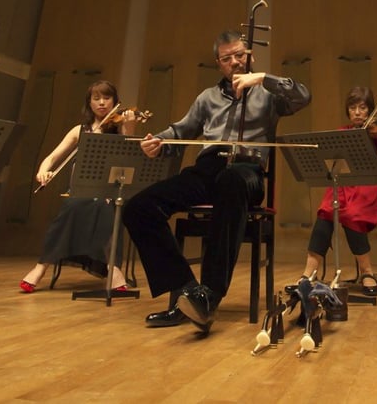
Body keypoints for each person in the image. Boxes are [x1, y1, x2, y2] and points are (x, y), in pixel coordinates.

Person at [124, 30, 311, 332]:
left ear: (250, 56)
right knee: (138, 207)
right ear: (219, 63)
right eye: (227, 58)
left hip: (246, 173)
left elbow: (303, 96)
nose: (235, 62)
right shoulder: (207, 98)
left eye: (240, 55)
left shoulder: (268, 94)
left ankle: (209, 296)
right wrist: (158, 141)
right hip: (208, 169)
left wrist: (262, 78)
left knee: (231, 180)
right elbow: (181, 131)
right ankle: (188, 292)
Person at [19, 80, 137, 293]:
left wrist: (129, 125)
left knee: (107, 208)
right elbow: (52, 157)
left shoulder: (119, 127)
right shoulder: (79, 130)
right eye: (96, 98)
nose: (102, 103)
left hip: (111, 191)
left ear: (115, 101)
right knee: (71, 207)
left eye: (107, 98)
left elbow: (129, 155)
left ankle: (113, 268)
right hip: (82, 190)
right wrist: (43, 171)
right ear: (89, 103)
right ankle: (41, 266)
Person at [301, 87, 377, 296]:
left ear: (370, 110)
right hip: (345, 186)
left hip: (371, 189)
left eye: (362, 108)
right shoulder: (343, 133)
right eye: (352, 108)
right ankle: (308, 273)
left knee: (351, 212)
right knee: (326, 209)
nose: (357, 112)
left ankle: (367, 271)